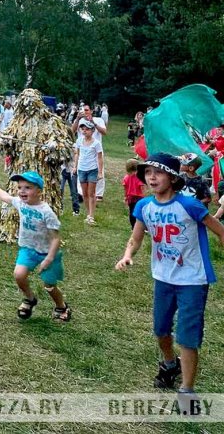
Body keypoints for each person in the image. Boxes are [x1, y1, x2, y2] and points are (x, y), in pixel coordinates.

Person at [115, 153, 224, 404]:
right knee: (161, 329)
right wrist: (128, 254)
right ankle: (169, 364)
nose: (152, 177)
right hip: (163, 277)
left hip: (193, 280)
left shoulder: (190, 205)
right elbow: (136, 237)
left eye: (159, 172)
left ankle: (187, 390)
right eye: (148, 172)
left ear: (173, 178)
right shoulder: (144, 206)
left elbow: (219, 231)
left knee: (187, 334)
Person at [0, 170, 71, 322]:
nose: (21, 191)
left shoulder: (46, 212)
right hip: (28, 248)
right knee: (19, 275)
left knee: (49, 285)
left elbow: (56, 238)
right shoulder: (20, 203)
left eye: (27, 188)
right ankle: (29, 299)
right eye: (19, 187)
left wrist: (49, 258)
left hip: (48, 253)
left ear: (39, 191)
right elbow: (5, 197)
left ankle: (61, 306)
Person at [72, 119, 104, 225]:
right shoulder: (79, 141)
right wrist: (75, 167)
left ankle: (91, 215)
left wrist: (100, 172)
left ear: (92, 131)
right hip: (82, 169)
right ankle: (88, 213)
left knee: (91, 193)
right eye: (83, 129)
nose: (84, 131)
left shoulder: (96, 143)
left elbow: (100, 158)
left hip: (92, 170)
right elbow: (77, 154)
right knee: (84, 193)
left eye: (87, 129)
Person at [122, 158, 145, 228]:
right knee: (139, 212)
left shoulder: (126, 177)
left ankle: (133, 226)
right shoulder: (139, 177)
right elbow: (142, 187)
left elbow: (125, 188)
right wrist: (144, 195)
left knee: (132, 212)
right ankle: (140, 227)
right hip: (139, 198)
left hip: (130, 198)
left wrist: (125, 197)